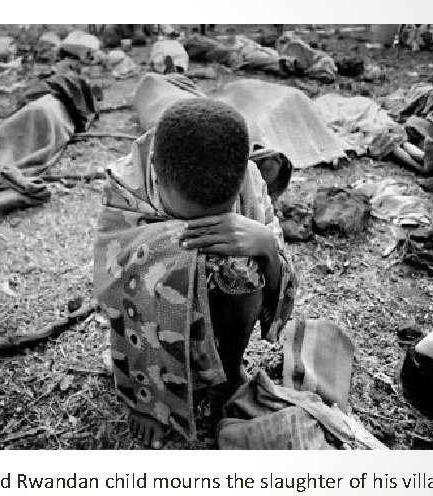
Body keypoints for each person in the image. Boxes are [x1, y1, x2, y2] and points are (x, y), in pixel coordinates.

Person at [93, 99, 297, 448]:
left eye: (220, 219)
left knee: (242, 267)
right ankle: (147, 393)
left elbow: (277, 273)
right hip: (153, 312)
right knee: (151, 265)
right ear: (157, 168)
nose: (205, 229)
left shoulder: (247, 178)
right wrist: (171, 245)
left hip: (216, 299)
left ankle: (229, 368)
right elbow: (114, 283)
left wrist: (264, 244)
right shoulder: (127, 189)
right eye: (190, 218)